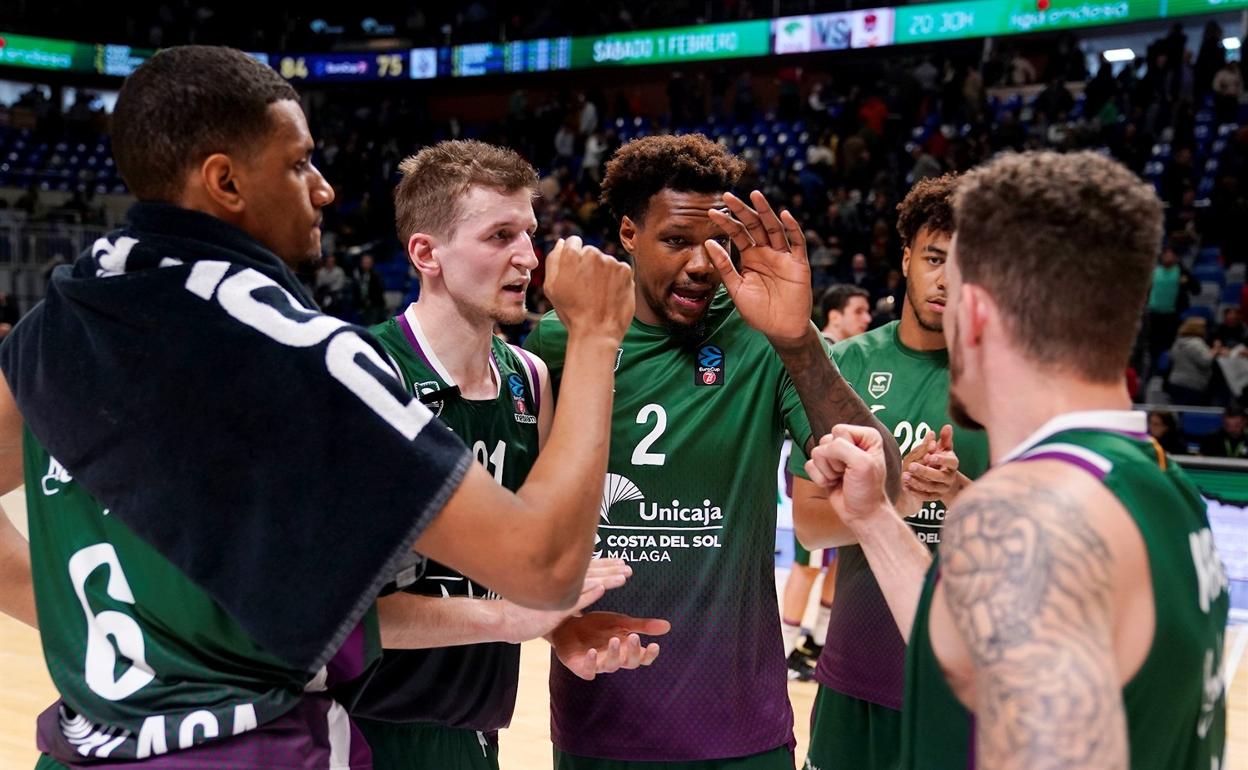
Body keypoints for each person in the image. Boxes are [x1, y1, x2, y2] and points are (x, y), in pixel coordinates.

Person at [0, 45, 637, 768]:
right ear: (225, 181)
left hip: (82, 746)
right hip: (247, 748)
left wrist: (71, 622)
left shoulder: (53, 327)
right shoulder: (302, 353)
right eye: (299, 162)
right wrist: (594, 335)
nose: (325, 189)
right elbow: (545, 566)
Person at [806, 150, 1229, 769]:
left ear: (975, 310)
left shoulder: (1034, 513)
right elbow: (965, 643)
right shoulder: (1162, 480)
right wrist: (874, 520)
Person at [525, 133, 899, 770]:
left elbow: (882, 481)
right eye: (676, 240)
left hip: (742, 732)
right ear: (627, 234)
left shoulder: (763, 333)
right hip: (601, 722)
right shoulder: (564, 340)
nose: (701, 262)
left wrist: (797, 341)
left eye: (716, 242)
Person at [339, 140, 668, 770]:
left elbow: (519, 573)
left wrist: (561, 629)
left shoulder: (529, 378)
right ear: (425, 253)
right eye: (499, 236)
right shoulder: (366, 374)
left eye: (529, 233)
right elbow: (349, 618)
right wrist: (511, 616)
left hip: (477, 729)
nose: (529, 257)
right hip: (363, 731)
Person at [788, 174, 990, 770]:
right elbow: (809, 527)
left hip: (963, 681)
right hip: (854, 673)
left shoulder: (1004, 376)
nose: (947, 279)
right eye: (934, 258)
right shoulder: (844, 365)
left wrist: (955, 491)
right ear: (906, 258)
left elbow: (1032, 538)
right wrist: (892, 504)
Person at [780, 283, 872, 680]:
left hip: (838, 469)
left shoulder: (857, 357)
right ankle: (783, 651)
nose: (867, 319)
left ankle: (815, 640)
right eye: (858, 311)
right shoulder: (824, 356)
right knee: (810, 564)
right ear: (834, 316)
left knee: (833, 560)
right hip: (814, 471)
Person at [1166, 316, 1222, 405]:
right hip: (1191, 385)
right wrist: (1215, 350)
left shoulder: (1178, 342)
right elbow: (1205, 361)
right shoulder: (1196, 343)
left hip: (1175, 382)